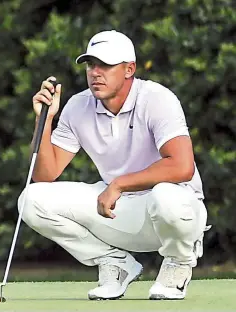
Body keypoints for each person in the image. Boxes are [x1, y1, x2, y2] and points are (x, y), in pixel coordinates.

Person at [18, 30, 210, 300]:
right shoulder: (77, 106)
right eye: (91, 65)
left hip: (178, 213)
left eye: (105, 65)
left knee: (165, 196)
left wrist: (119, 184)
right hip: (120, 213)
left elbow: (181, 167)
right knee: (31, 199)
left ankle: (179, 263)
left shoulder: (157, 98)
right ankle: (115, 263)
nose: (96, 72)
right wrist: (45, 121)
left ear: (129, 69)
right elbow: (44, 175)